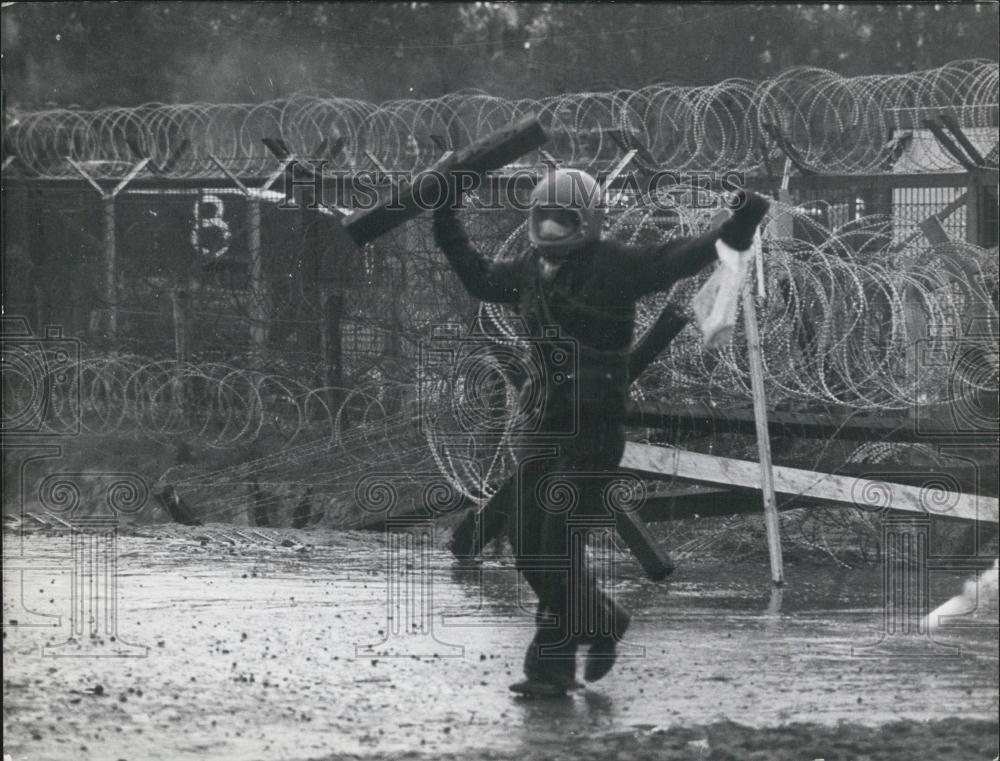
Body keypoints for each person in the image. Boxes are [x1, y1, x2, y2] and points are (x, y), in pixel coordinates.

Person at [433, 169, 769, 696]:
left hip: (592, 434)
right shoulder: (528, 266)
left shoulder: (613, 264)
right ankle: (602, 620)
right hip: (542, 428)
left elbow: (678, 257)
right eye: (541, 217)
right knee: (528, 547)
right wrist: (444, 215)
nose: (548, 228)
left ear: (586, 221)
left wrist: (740, 221)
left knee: (557, 545)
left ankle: (549, 670)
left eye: (560, 219)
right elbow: (478, 278)